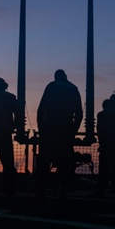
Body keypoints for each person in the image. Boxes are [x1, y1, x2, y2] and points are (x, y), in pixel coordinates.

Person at [35, 69, 83, 200]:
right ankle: (62, 190)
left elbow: (41, 108)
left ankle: (41, 190)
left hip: (49, 127)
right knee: (64, 162)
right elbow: (79, 112)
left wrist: (41, 127)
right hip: (66, 128)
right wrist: (74, 130)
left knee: (44, 160)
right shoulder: (73, 89)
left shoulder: (51, 87)